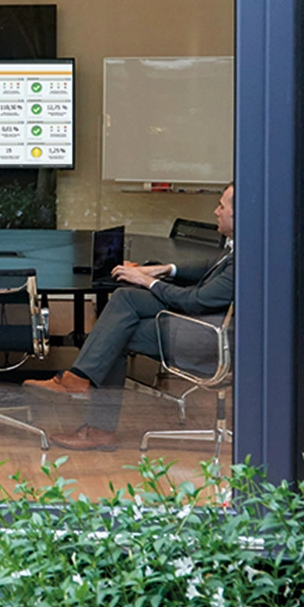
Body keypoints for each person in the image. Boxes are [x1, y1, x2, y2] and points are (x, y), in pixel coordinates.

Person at [25, 184, 235, 450]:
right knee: (125, 300)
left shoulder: (247, 258)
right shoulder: (242, 247)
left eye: (222, 206)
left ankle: (86, 401)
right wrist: (164, 269)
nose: (215, 211)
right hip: (202, 325)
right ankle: (78, 382)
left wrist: (147, 281)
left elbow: (196, 302)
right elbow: (208, 268)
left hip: (207, 339)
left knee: (117, 333)